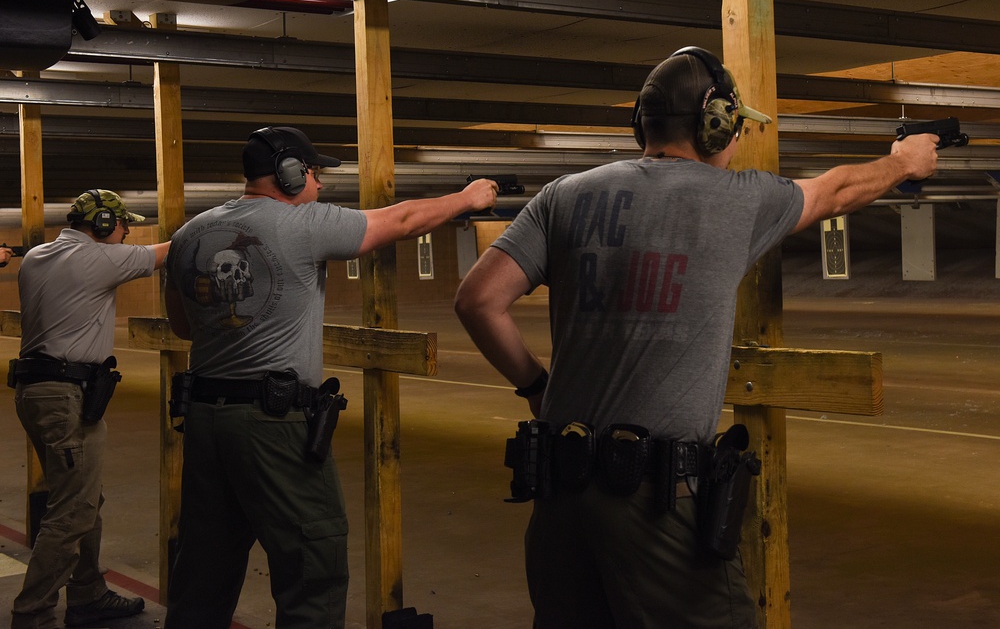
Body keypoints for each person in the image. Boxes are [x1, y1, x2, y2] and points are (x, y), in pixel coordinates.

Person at [453, 46, 939, 629]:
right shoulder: (735, 197)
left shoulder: (563, 195)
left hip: (558, 499)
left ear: (642, 123)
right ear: (717, 124)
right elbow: (835, 190)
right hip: (657, 503)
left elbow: (478, 301)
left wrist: (536, 386)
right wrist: (903, 162)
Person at [162, 125, 497, 629]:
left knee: (203, 574)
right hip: (272, 425)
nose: (319, 185)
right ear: (290, 174)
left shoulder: (188, 235)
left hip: (205, 422)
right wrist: (468, 198)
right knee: (311, 571)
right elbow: (402, 219)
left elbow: (184, 326)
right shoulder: (305, 224)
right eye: (314, 174)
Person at [10, 189, 169, 629]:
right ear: (102, 224)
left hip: (36, 393)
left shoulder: (37, 255)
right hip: (65, 397)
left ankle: (87, 594)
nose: (125, 234)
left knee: (82, 499)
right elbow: (169, 251)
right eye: (122, 225)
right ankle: (32, 614)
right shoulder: (99, 260)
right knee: (73, 511)